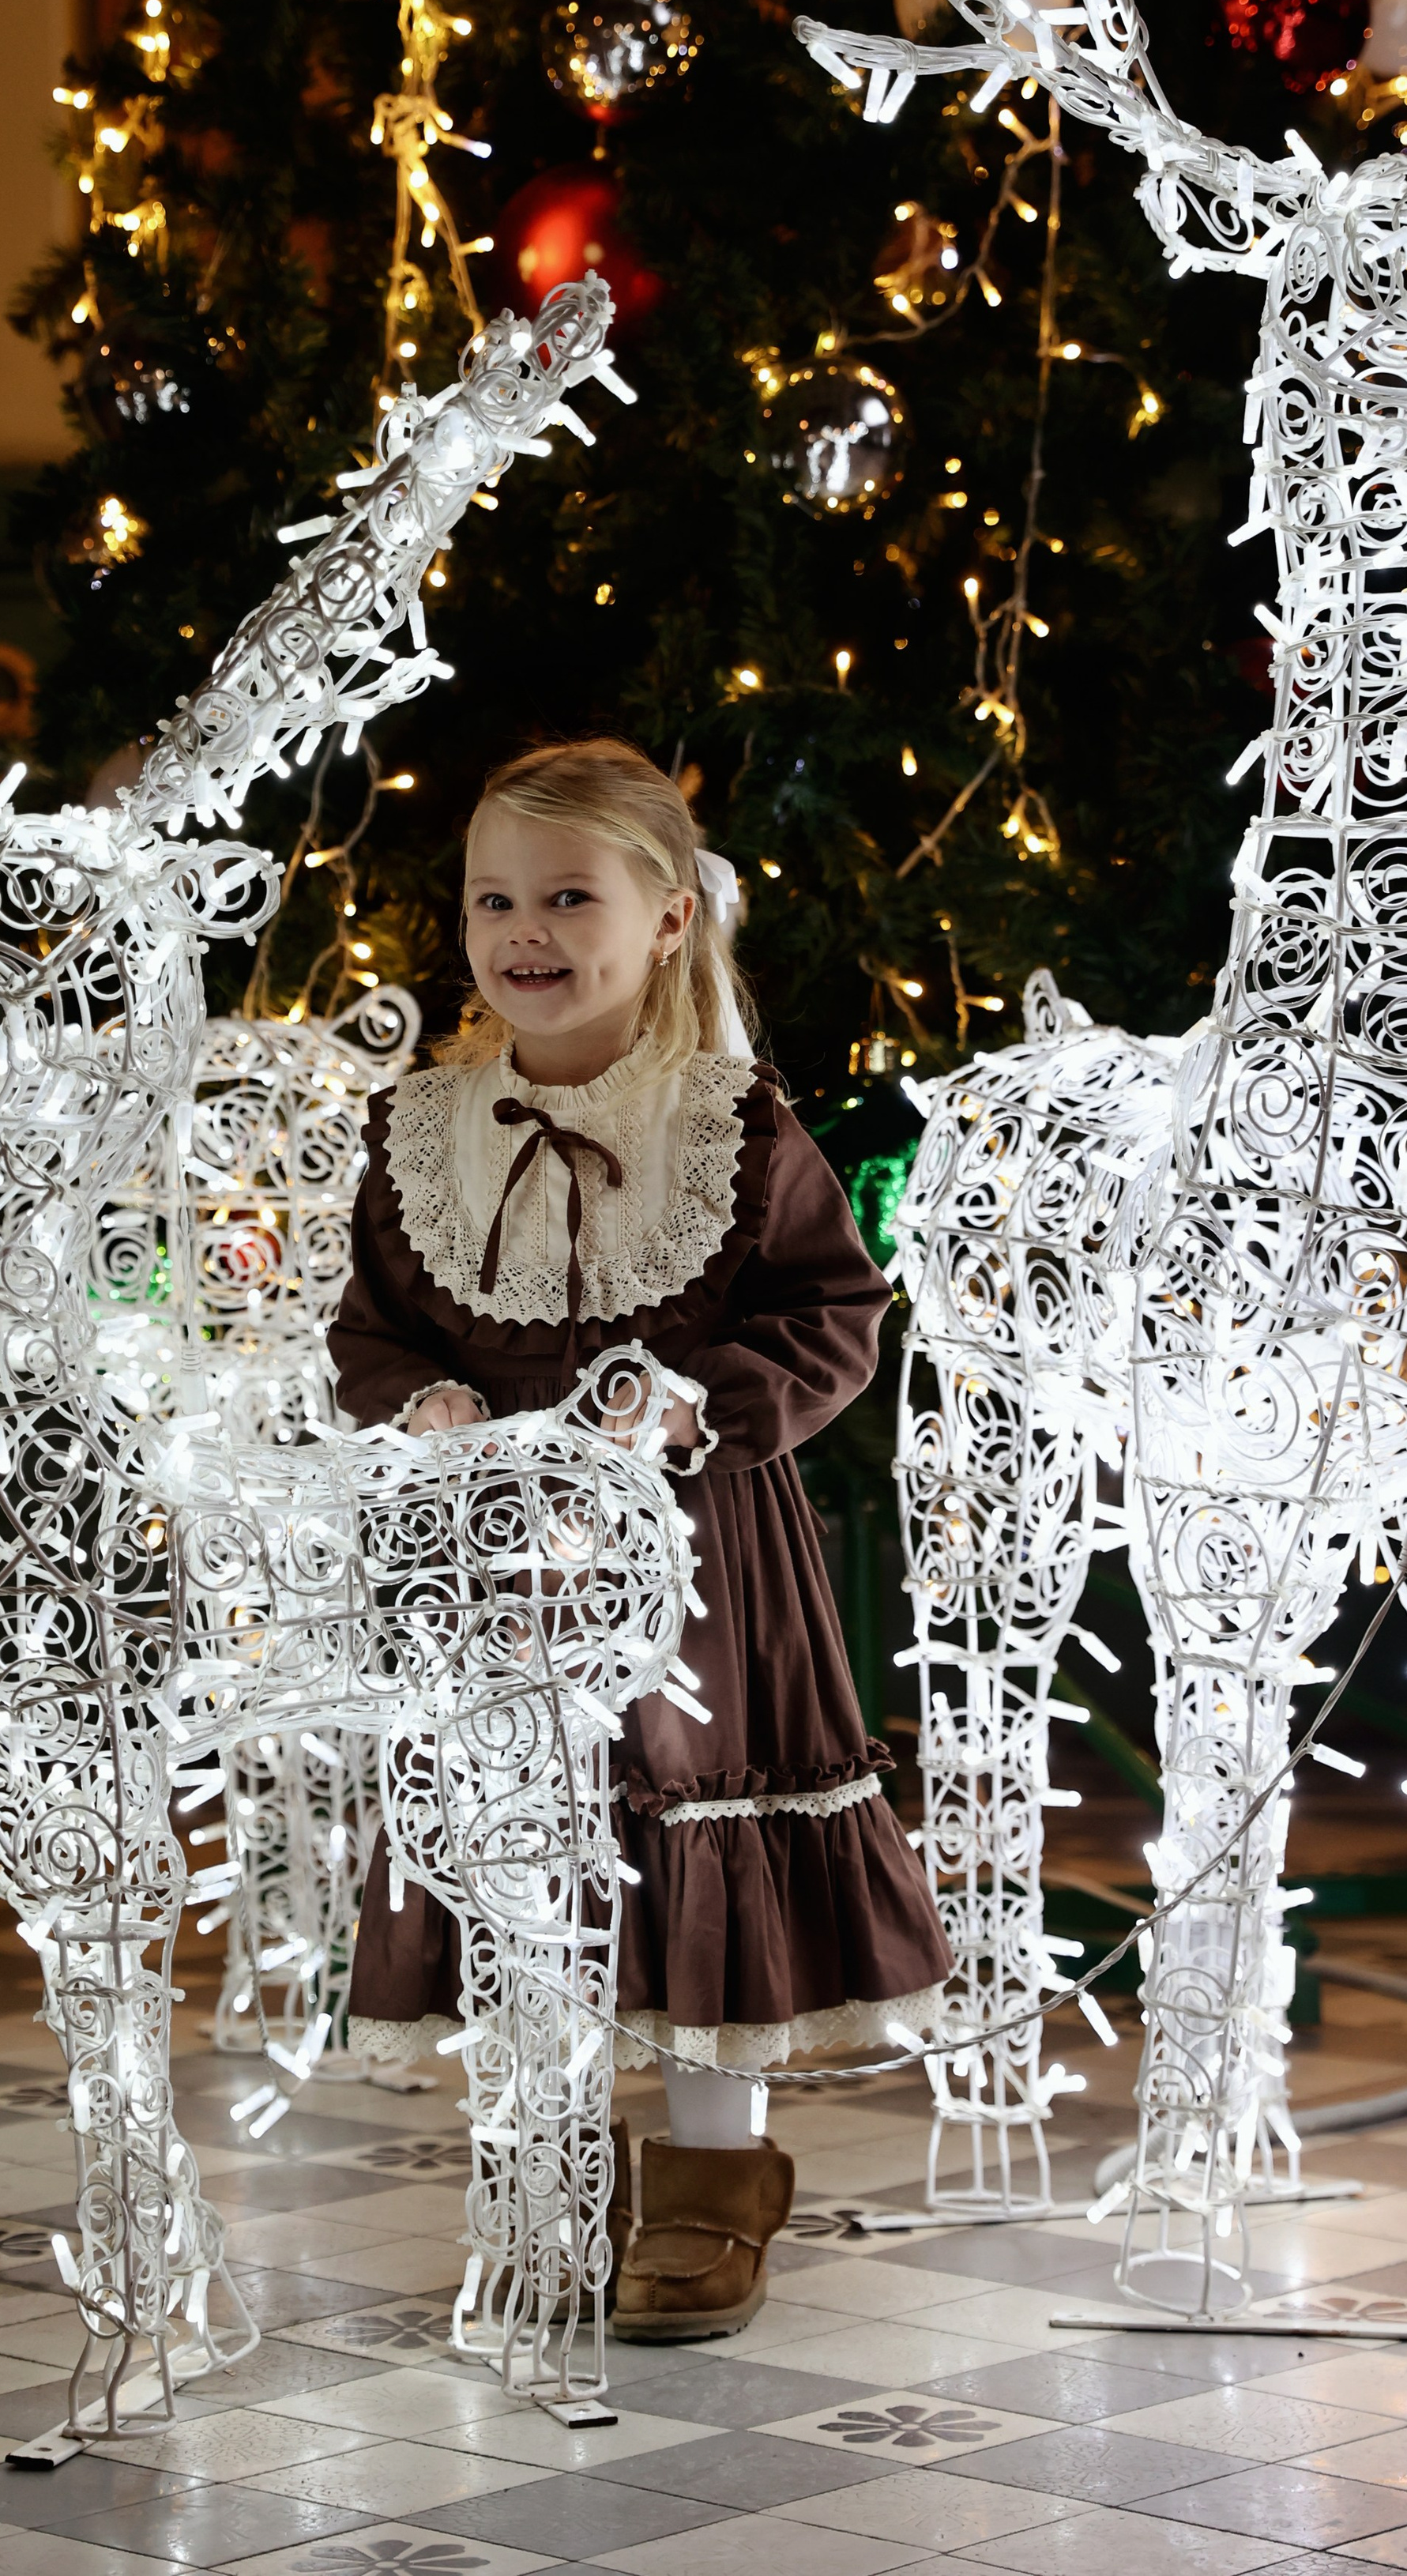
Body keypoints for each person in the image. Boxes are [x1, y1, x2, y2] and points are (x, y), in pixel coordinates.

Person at [327, 736, 952, 2341]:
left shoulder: (728, 1121)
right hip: (484, 1567)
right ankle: (557, 2165)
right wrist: (414, 1405)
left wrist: (696, 1407)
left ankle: (707, 2184)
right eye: (490, 900)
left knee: (690, 1828)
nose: (521, 931)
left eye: (564, 897)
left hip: (692, 1568)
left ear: (667, 918)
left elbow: (835, 1314)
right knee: (522, 1850)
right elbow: (364, 1331)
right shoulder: (420, 1126)